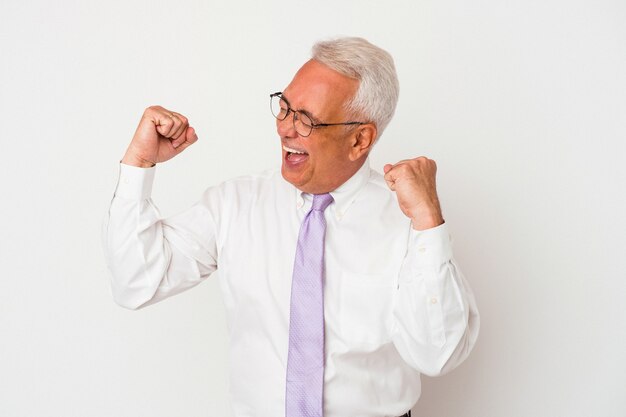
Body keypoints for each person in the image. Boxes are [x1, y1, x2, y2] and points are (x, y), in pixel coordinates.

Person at [102, 37, 479, 417]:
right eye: (284, 108)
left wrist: (429, 222)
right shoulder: (235, 204)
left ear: (360, 139)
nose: (285, 129)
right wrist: (139, 163)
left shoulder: (407, 221)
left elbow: (437, 354)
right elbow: (135, 282)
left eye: (306, 120)